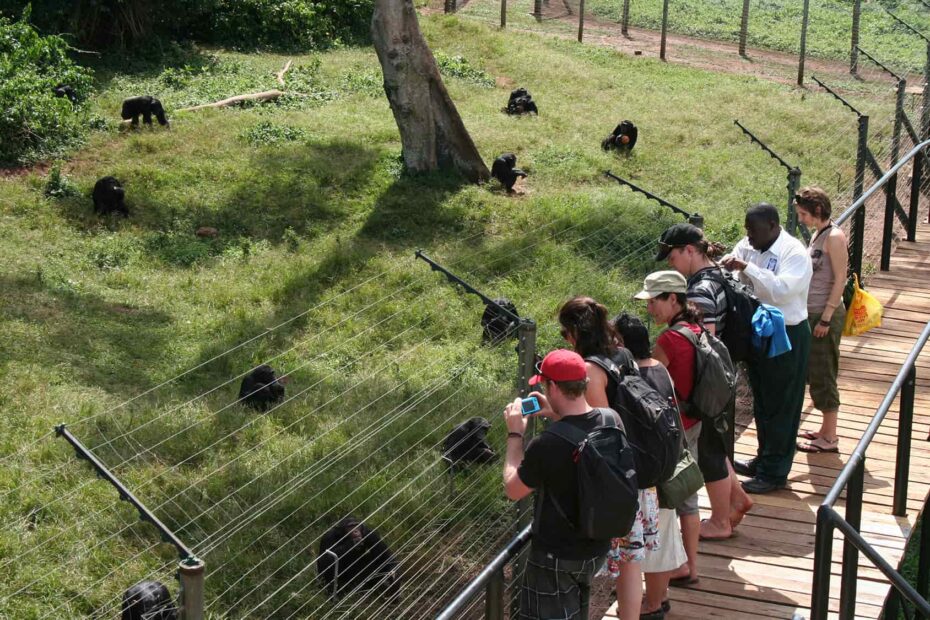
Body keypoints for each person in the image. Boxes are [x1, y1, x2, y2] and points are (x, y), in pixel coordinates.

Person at [556, 297, 657, 620]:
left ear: (575, 331)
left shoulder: (590, 369)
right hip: (640, 468)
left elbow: (600, 427)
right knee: (632, 558)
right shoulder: (623, 353)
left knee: (609, 558)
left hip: (617, 476)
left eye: (564, 332)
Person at [503, 349, 621, 620]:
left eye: (545, 383)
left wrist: (514, 434)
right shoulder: (610, 419)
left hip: (556, 557)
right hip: (597, 546)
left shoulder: (547, 444)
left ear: (553, 386)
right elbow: (581, 436)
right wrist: (556, 414)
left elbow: (513, 489)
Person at [655, 223, 754, 537]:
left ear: (688, 250)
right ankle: (737, 499)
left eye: (672, 258)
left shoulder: (698, 289)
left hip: (706, 387)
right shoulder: (719, 274)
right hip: (724, 376)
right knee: (716, 449)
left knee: (710, 455)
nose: (672, 265)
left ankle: (721, 521)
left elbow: (701, 346)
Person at [721, 203, 813, 494]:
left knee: (782, 403)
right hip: (758, 330)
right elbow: (735, 275)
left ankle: (774, 472)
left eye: (754, 230)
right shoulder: (748, 246)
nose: (748, 237)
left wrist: (749, 269)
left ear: (773, 226)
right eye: (746, 230)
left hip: (787, 333)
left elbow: (783, 290)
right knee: (762, 399)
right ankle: (764, 457)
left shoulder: (794, 253)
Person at [634, 270, 704, 588]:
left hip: (676, 429)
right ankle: (691, 565)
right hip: (696, 420)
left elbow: (648, 381)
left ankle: (667, 574)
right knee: (689, 498)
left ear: (672, 299)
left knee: (668, 500)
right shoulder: (694, 327)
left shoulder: (668, 339)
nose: (650, 309)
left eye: (654, 302)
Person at [615, 313, 687, 619]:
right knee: (664, 535)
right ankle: (659, 597)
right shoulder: (659, 369)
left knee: (656, 543)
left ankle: (655, 604)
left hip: (651, 473)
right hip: (670, 461)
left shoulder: (631, 381)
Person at [794, 188, 848, 454]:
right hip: (811, 312)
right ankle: (825, 430)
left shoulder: (835, 237)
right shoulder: (820, 233)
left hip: (823, 315)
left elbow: (840, 279)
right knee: (815, 370)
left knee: (824, 370)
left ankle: (830, 438)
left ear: (817, 211)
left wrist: (826, 318)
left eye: (804, 214)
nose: (801, 219)